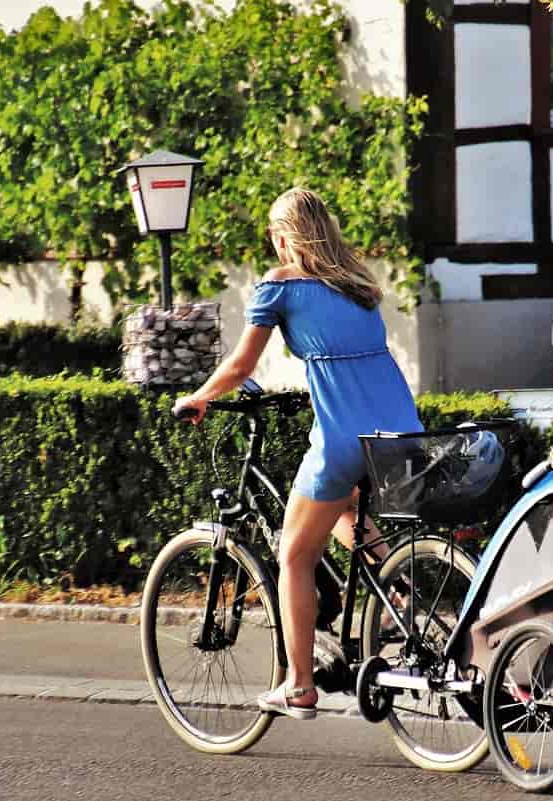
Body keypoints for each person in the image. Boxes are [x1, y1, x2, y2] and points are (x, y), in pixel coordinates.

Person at [173, 187, 422, 720]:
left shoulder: (278, 287)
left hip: (342, 437)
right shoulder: (358, 285)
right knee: (347, 512)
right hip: (401, 430)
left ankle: (299, 685)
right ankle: (405, 597)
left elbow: (241, 369)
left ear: (285, 235)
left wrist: (198, 398)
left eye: (272, 232)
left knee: (293, 555)